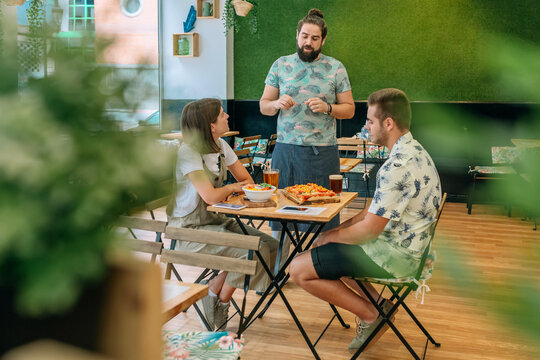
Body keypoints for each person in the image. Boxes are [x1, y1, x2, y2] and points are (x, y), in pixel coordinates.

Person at [289, 88, 442, 351]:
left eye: (370, 121)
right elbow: (371, 211)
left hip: (397, 256)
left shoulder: (397, 166)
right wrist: (334, 235)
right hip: (409, 248)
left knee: (297, 269)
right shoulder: (415, 151)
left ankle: (371, 315)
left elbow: (369, 230)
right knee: (326, 247)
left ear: (388, 123)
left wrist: (328, 237)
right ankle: (379, 304)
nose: (366, 126)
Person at [167, 98, 278, 331]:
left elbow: (246, 181)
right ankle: (221, 300)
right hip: (189, 231)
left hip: (217, 220)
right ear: (211, 125)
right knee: (250, 251)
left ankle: (214, 290)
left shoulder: (221, 146)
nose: (227, 116)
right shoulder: (189, 152)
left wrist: (225, 192)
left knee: (269, 244)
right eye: (221, 114)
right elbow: (210, 197)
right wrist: (228, 190)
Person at [259, 8, 355, 260]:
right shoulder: (281, 64)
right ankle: (276, 271)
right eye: (304, 36)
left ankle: (320, 268)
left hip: (322, 152)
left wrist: (328, 108)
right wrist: (277, 103)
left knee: (323, 215)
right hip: (285, 150)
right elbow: (264, 106)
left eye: (314, 38)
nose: (308, 42)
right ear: (297, 35)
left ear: (323, 40)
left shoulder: (336, 68)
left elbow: (350, 110)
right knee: (279, 214)